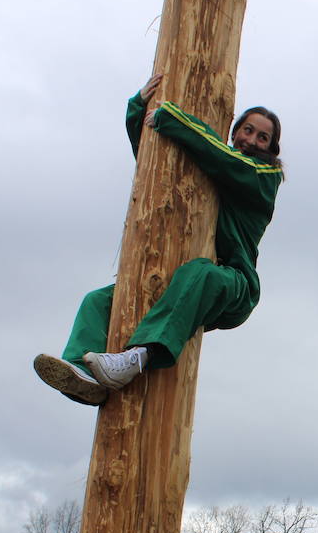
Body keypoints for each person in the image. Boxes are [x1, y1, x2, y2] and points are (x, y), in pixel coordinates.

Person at [33, 73, 283, 406]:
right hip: (176, 283)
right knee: (99, 300)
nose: (252, 140)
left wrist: (171, 116)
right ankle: (84, 375)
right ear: (234, 131)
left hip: (234, 285)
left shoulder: (264, 176)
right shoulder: (210, 166)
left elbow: (224, 157)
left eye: (262, 137)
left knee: (202, 272)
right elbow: (157, 162)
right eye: (247, 130)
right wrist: (139, 109)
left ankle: (138, 358)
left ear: (271, 148)